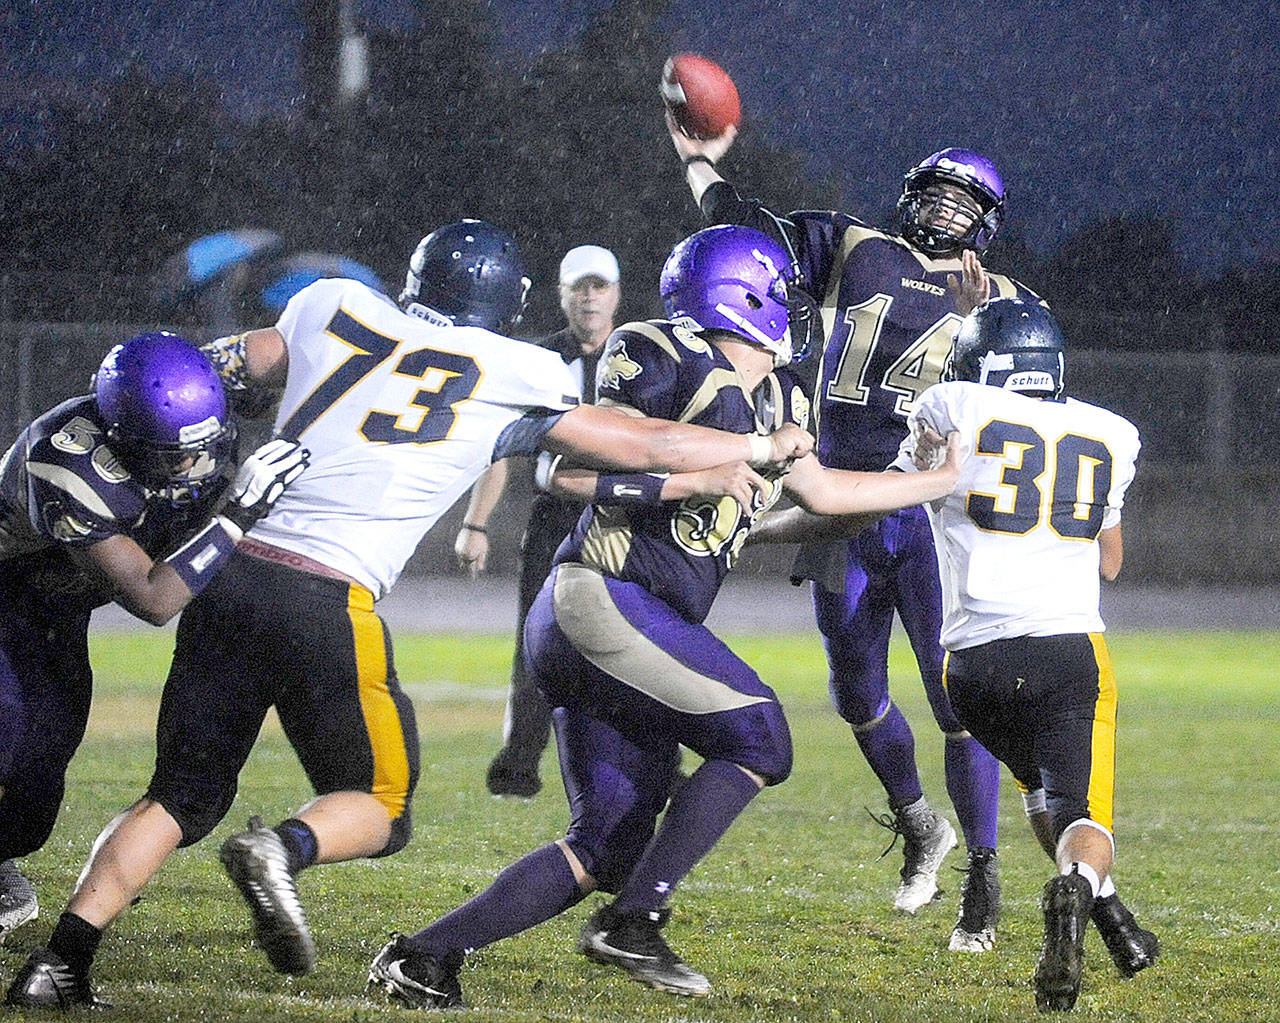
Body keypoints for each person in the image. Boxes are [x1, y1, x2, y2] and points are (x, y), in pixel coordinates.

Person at [4, 220, 813, 1011]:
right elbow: (641, 445)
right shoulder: (517, 366)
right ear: (506, 301)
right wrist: (759, 449)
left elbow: (221, 370)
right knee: (382, 803)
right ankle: (281, 847)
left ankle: (59, 964)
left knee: (177, 796)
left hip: (231, 572)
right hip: (328, 594)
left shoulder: (331, 305)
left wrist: (121, 412)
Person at [366, 224, 963, 1008]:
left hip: (630, 625)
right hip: (599, 600)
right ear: (743, 294)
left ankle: (422, 957)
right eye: (782, 290)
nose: (795, 306)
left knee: (608, 841)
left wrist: (937, 479)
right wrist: (697, 480)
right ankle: (637, 921)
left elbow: (825, 499)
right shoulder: (660, 350)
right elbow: (564, 470)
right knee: (759, 733)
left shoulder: (780, 395)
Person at [670, 120, 1055, 948]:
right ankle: (921, 823)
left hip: (930, 513)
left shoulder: (1011, 302)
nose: (948, 212)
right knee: (856, 695)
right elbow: (744, 231)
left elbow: (1035, 421)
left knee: (957, 703)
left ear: (988, 219)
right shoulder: (858, 244)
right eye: (938, 194)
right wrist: (699, 160)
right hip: (838, 498)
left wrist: (978, 338)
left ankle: (982, 877)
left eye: (966, 202)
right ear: (913, 195)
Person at [894, 298, 1158, 1010]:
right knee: (1083, 815)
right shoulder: (1112, 433)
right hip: (1066, 652)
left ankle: (1111, 917)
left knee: (1038, 792)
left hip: (972, 671)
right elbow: (1110, 563)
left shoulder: (954, 402)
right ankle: (1082, 892)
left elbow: (913, 482)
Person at [0, 332, 306, 946]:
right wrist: (237, 515)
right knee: (8, 737)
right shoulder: (67, 466)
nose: (192, 467)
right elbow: (152, 598)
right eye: (171, 455)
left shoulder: (206, 386)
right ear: (121, 437)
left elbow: (287, 352)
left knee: (40, 774)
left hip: (56, 612)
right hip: (11, 600)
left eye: (201, 446)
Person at [455, 243, 623, 798]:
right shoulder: (539, 362)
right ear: (562, 295)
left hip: (622, 514)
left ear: (617, 295)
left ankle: (645, 762)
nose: (590, 297)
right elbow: (503, 449)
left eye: (599, 286)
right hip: (554, 517)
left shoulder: (643, 355)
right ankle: (519, 762)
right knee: (537, 639)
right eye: (580, 286)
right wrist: (475, 524)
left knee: (628, 641)